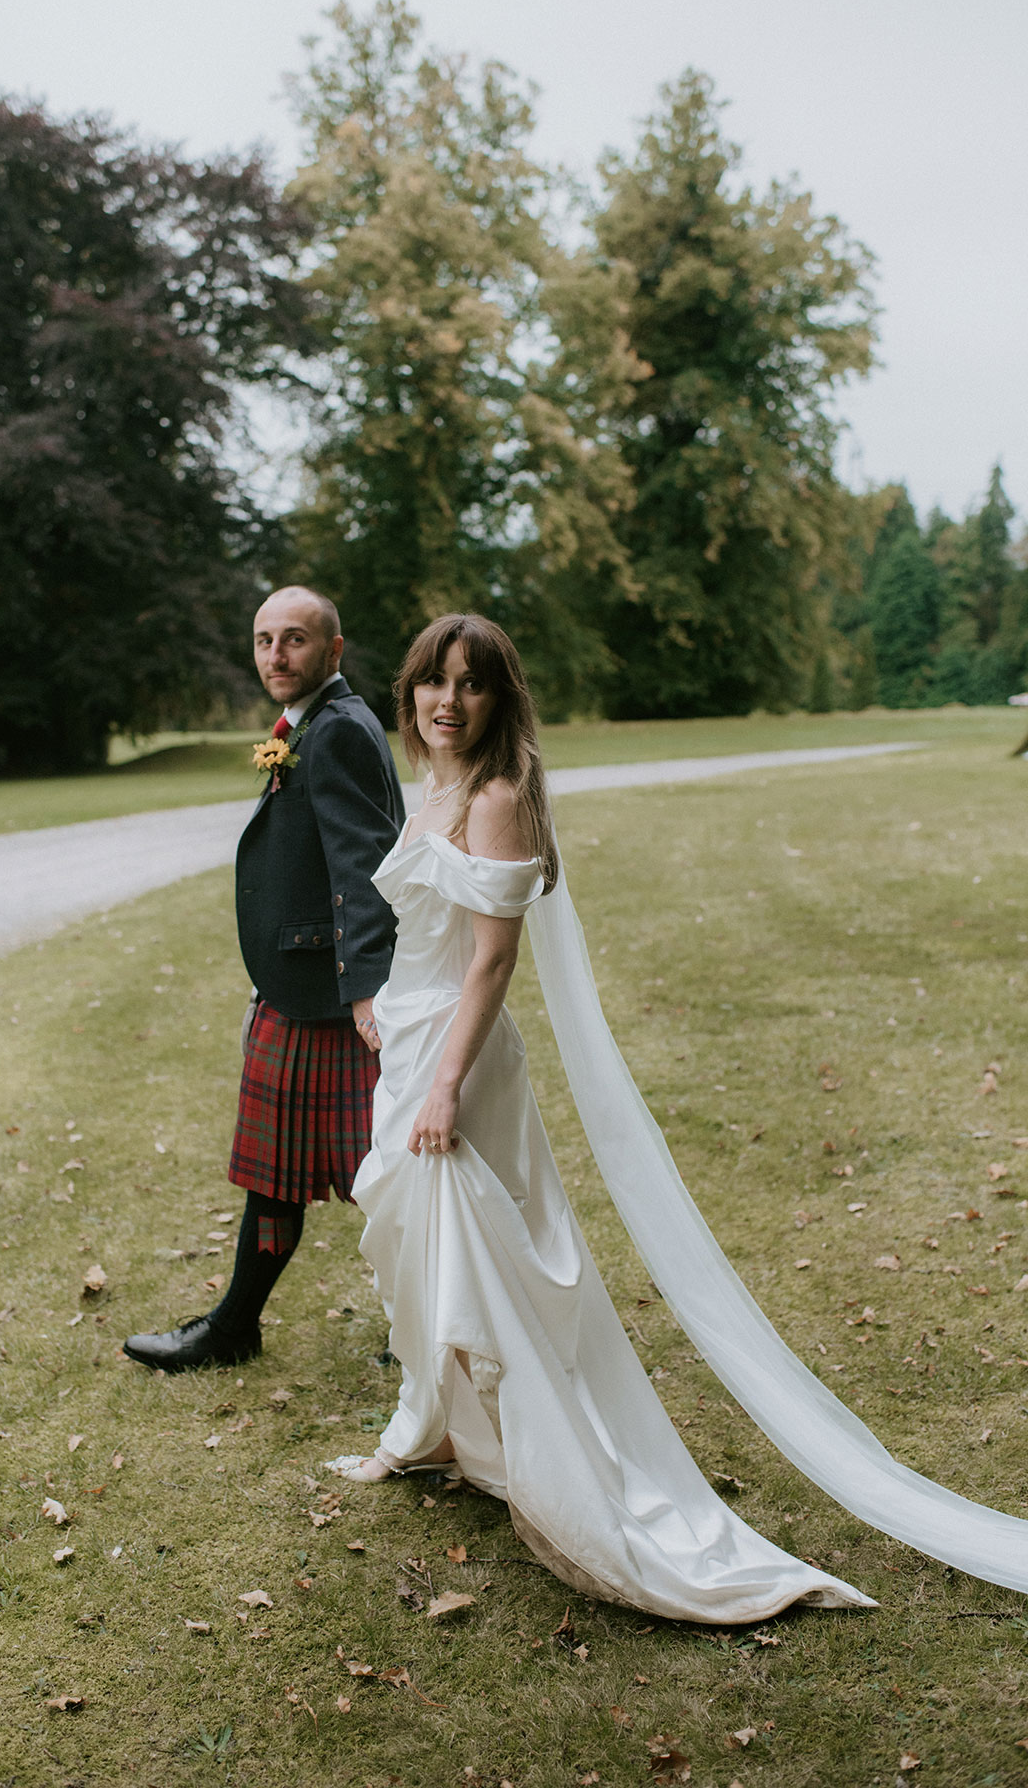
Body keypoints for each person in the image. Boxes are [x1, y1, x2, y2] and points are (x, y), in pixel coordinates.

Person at [327, 613, 1028, 1624]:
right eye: (434, 682)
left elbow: (492, 961)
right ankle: (437, 1428)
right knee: (425, 1247)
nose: (448, 701)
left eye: (470, 685)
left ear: (499, 698)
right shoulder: (435, 785)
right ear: (411, 693)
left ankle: (573, 1484)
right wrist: (393, 1030)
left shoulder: (494, 798)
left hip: (459, 1061)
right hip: (411, 1042)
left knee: (488, 1265)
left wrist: (441, 1083)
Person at [124, 586, 404, 1371]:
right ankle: (235, 1326)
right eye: (263, 641)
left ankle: (422, 1326)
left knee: (384, 1174)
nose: (276, 656)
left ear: (334, 650)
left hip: (333, 998)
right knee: (276, 1172)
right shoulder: (312, 723)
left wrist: (365, 988)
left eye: (295, 641)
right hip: (300, 987)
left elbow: (367, 868)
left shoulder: (339, 730)